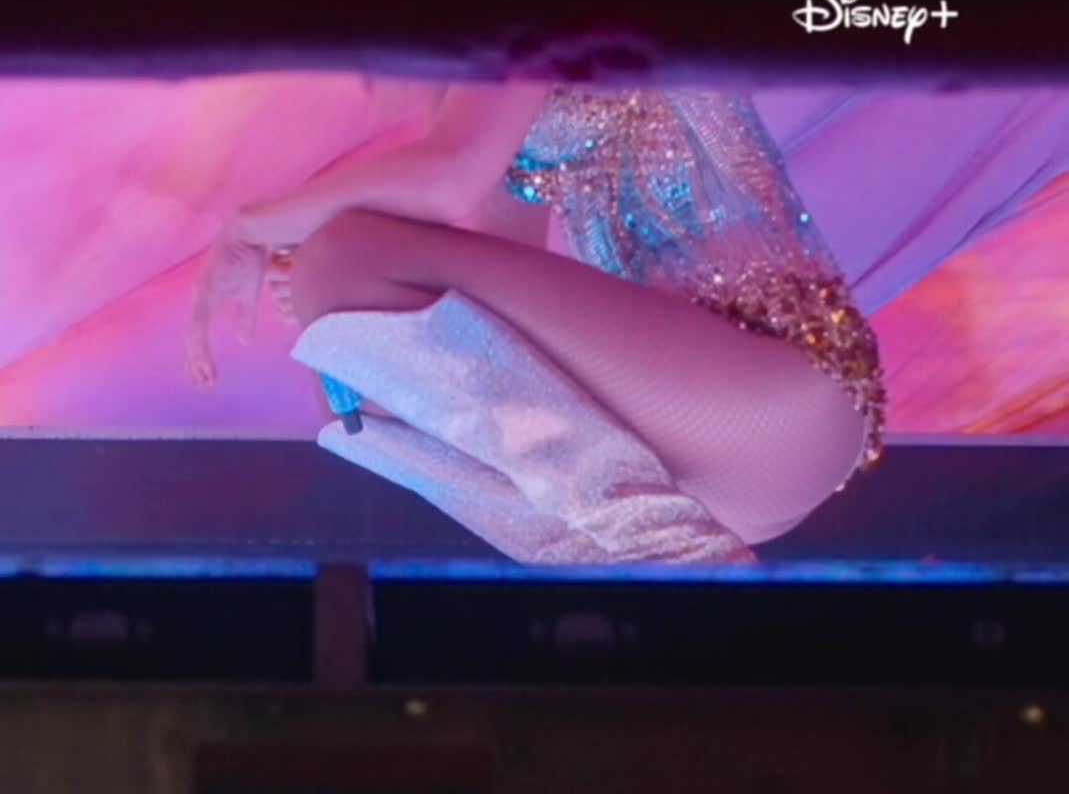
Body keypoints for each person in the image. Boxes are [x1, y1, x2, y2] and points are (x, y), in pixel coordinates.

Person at [186, 83, 885, 566]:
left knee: (341, 265)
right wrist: (349, 306)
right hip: (699, 465)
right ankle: (656, 570)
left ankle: (673, 571)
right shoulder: (463, 73)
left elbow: (447, 180)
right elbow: (499, 314)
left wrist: (253, 230)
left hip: (779, 389)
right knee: (351, 338)